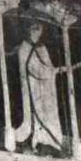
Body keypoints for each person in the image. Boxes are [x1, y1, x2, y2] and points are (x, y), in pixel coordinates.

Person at [14, 22, 66, 151]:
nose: (38, 33)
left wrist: (54, 70)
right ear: (30, 30)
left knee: (47, 109)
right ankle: (35, 138)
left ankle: (48, 138)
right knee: (35, 111)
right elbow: (32, 68)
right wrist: (55, 71)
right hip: (32, 85)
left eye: (39, 30)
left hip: (45, 86)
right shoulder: (24, 47)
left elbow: (48, 65)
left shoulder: (42, 47)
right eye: (35, 29)